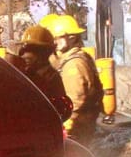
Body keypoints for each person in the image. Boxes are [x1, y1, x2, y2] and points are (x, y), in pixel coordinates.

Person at [50, 14, 103, 146]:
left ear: (72, 37)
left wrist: (66, 125)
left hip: (77, 126)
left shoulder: (74, 64)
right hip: (83, 123)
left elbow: (75, 100)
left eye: (58, 37)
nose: (54, 42)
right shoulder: (76, 56)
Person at [18, 25, 72, 122]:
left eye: (32, 50)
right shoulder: (25, 73)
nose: (25, 55)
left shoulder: (50, 78)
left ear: (43, 53)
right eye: (25, 49)